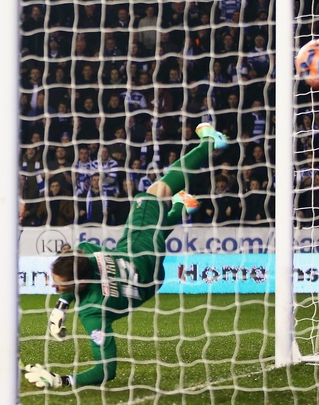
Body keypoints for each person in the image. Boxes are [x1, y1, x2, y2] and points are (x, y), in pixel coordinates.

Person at [23, 122, 228, 388]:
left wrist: (60, 380)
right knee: (156, 192)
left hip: (151, 283)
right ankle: (206, 149)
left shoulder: (92, 313)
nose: (54, 285)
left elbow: (106, 371)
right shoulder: (88, 252)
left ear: (80, 284)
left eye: (59, 284)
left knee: (158, 197)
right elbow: (77, 266)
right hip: (138, 254)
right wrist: (62, 303)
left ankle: (194, 180)